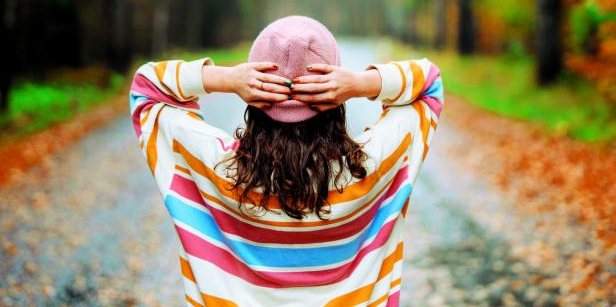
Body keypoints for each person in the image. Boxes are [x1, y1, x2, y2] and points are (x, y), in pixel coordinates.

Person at [129, 15, 444, 307]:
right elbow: (429, 85)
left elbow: (145, 88)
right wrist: (361, 84)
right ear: (336, 97)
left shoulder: (214, 168)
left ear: (253, 97)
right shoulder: (373, 166)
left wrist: (226, 78)